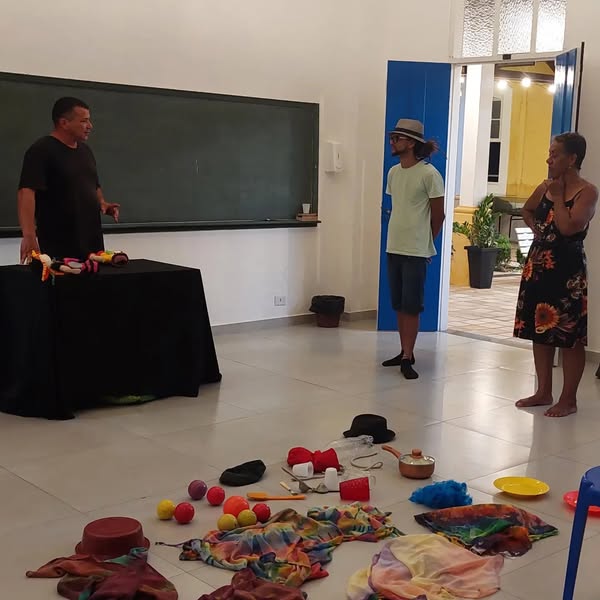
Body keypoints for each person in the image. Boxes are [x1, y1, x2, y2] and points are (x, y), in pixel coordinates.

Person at [514, 132, 598, 417]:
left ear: (572, 158)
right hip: (539, 265)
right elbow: (527, 209)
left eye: (555, 154)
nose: (549, 159)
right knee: (540, 329)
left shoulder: (587, 192)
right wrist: (537, 230)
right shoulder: (545, 186)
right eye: (549, 153)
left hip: (567, 271)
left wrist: (559, 197)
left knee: (569, 335)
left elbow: (569, 227)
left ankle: (568, 399)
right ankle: (543, 391)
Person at [17, 97, 120, 263]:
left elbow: (93, 185)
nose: (90, 126)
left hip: (91, 243)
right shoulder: (41, 150)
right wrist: (29, 236)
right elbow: (26, 192)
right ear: (64, 123)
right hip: (59, 244)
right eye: (84, 121)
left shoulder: (85, 151)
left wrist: (102, 203)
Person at [381, 119, 445, 379]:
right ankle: (403, 351)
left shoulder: (429, 174)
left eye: (396, 138)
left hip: (416, 250)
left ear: (411, 143)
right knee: (399, 303)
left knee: (411, 305)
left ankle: (408, 355)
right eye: (392, 137)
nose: (392, 142)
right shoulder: (393, 172)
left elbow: (438, 215)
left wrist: (427, 245)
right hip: (394, 245)